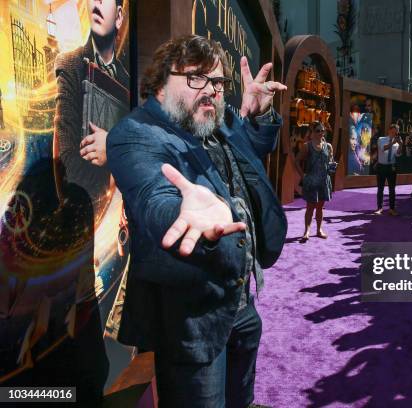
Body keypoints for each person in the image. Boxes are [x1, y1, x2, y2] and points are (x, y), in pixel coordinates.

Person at [105, 35, 288, 407]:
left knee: (242, 399)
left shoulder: (213, 120)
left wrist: (259, 114)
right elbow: (153, 196)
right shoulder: (135, 135)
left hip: (240, 296)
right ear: (159, 84)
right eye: (195, 78)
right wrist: (186, 216)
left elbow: (254, 150)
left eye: (218, 82)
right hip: (192, 316)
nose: (211, 91)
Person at [53, 0, 129, 214]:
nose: (98, 2)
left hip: (121, 216)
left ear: (119, 17)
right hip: (87, 214)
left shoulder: (128, 79)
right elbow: (68, 164)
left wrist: (111, 148)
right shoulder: (71, 63)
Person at [297, 121, 335, 241]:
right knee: (310, 207)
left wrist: (332, 166)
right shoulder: (307, 146)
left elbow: (330, 162)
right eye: (317, 130)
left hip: (324, 180)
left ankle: (319, 230)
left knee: (320, 207)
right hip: (311, 180)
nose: (320, 133)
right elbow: (297, 161)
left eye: (322, 130)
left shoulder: (328, 146)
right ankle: (306, 231)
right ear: (312, 132)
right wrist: (302, 176)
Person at [374, 123, 403, 216]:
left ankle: (392, 209)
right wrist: (392, 143)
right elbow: (383, 148)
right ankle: (379, 208)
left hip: (391, 167)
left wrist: (401, 145)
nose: (395, 133)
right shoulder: (381, 139)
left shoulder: (397, 142)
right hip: (382, 166)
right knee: (380, 188)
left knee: (392, 189)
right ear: (389, 131)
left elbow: (398, 154)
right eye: (393, 131)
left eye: (396, 132)